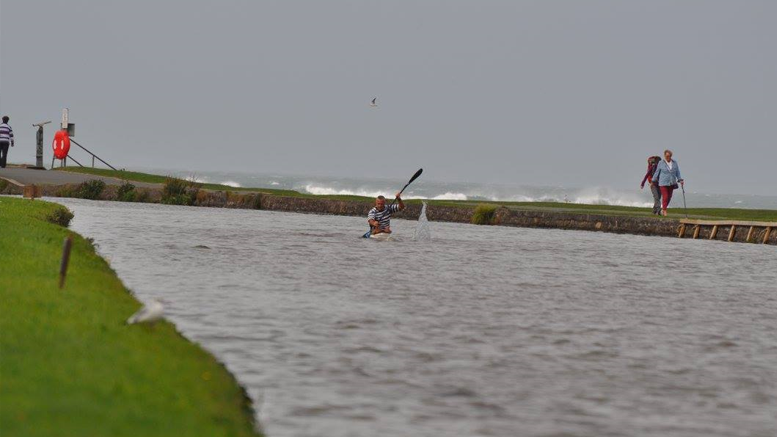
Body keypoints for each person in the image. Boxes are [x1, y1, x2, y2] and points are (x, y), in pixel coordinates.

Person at [652, 149, 684, 216]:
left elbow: (677, 172)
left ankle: (663, 209)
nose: (667, 157)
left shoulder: (674, 163)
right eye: (666, 156)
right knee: (665, 196)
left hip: (671, 182)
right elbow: (657, 172)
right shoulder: (661, 163)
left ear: (671, 156)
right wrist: (653, 180)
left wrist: (680, 179)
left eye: (669, 156)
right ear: (664, 156)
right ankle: (664, 210)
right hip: (663, 182)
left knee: (669, 197)